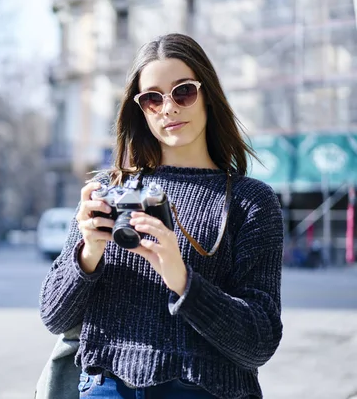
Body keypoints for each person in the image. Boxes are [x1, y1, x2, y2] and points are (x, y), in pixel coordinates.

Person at [38, 33, 284, 399]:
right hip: (106, 387)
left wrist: (182, 279)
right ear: (139, 109)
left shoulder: (251, 201)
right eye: (152, 98)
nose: (168, 108)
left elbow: (259, 342)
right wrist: (88, 254)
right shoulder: (110, 190)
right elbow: (54, 317)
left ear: (208, 95)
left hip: (204, 389)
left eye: (183, 92)